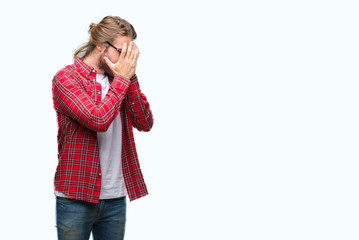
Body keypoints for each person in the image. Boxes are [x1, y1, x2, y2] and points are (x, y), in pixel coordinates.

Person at [51, 15, 154, 240]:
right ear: (100, 46)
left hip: (115, 197)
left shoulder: (121, 79)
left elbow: (145, 123)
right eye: (122, 51)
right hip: (75, 197)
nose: (127, 59)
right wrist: (123, 81)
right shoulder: (66, 79)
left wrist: (131, 77)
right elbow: (98, 120)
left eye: (131, 53)